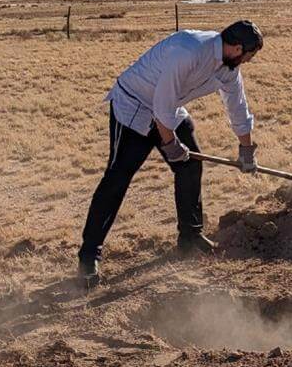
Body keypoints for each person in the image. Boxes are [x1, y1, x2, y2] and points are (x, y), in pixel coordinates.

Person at [77, 20, 263, 286]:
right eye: (249, 55)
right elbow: (160, 104)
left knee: (190, 165)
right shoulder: (189, 52)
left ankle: (190, 236)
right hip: (135, 105)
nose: (248, 61)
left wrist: (246, 149)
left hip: (168, 107)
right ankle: (88, 256)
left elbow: (237, 106)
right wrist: (170, 144)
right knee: (117, 179)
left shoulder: (228, 68)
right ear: (235, 48)